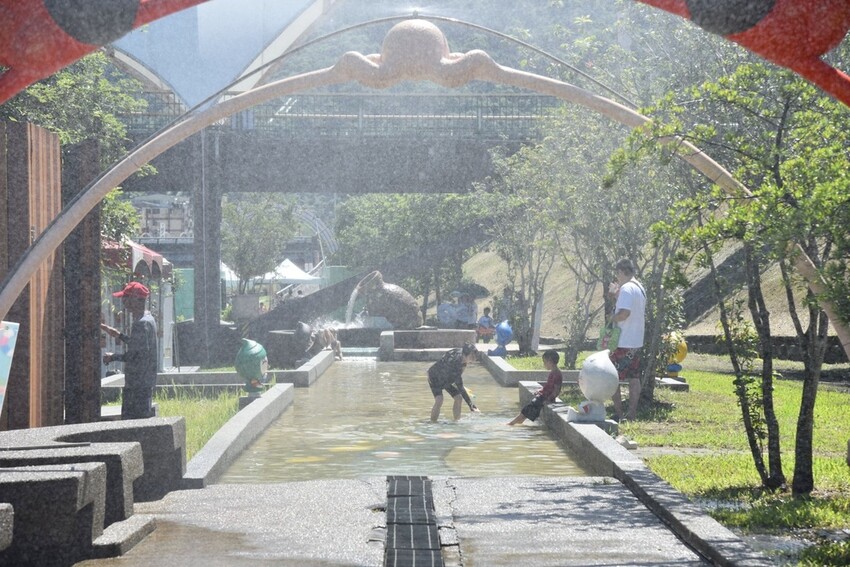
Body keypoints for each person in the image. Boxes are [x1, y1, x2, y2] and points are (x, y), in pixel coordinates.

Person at [101, 281, 158, 420]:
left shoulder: (141, 324)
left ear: (135, 300)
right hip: (144, 382)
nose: (124, 302)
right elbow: (139, 346)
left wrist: (113, 357)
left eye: (125, 298)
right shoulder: (148, 319)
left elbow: (137, 355)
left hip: (137, 384)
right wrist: (118, 334)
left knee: (133, 422)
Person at [607, 258, 647, 422]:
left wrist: (611, 318)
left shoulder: (627, 288)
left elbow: (624, 314)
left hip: (622, 342)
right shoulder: (639, 288)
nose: (617, 278)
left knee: (612, 377)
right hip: (636, 341)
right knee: (634, 378)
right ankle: (631, 413)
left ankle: (619, 413)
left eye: (617, 274)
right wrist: (614, 297)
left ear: (622, 272)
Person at [427, 342, 481, 422]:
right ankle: (432, 424)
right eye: (472, 356)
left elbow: (456, 381)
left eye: (475, 355)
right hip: (434, 376)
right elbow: (460, 386)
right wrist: (471, 405)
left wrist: (470, 405)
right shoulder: (455, 364)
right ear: (465, 354)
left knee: (458, 398)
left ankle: (456, 422)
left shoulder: (462, 357)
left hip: (446, 377)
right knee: (439, 400)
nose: (474, 358)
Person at [508, 349, 563, 425]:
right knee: (529, 407)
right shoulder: (553, 372)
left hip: (544, 398)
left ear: (550, 361)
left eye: (544, 362)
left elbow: (556, 390)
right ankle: (518, 420)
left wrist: (549, 399)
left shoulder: (557, 374)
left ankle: (514, 422)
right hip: (543, 396)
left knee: (530, 407)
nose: (544, 364)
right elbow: (548, 386)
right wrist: (540, 391)